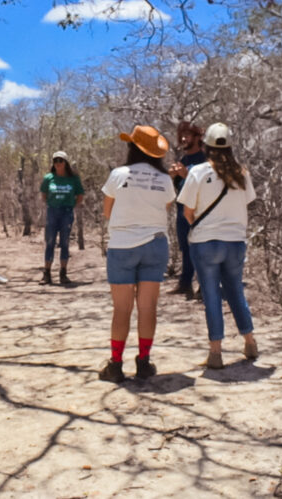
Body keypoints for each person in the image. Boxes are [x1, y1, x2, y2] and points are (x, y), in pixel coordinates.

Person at [177, 123, 258, 370]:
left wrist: (199, 228)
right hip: (235, 242)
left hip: (205, 243)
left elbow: (187, 211)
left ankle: (216, 352)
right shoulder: (241, 173)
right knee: (235, 291)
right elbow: (248, 203)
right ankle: (250, 341)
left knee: (211, 295)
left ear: (207, 146)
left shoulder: (198, 172)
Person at [98, 126, 176, 383]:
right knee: (147, 307)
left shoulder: (118, 175)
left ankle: (116, 364)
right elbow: (164, 208)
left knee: (122, 309)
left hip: (122, 246)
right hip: (155, 245)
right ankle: (143, 362)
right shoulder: (165, 179)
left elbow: (108, 211)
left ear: (132, 148)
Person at [167, 121, 206, 299]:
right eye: (181, 135)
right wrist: (173, 177)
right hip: (182, 210)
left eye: (188, 135)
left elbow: (207, 186)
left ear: (198, 138)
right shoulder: (183, 160)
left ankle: (205, 285)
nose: (183, 139)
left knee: (200, 247)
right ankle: (185, 283)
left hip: (199, 212)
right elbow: (180, 187)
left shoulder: (205, 159)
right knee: (186, 248)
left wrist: (187, 175)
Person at [40, 151, 85, 285]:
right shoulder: (48, 178)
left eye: (61, 161)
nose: (58, 163)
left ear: (66, 163)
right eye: (56, 161)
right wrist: (51, 204)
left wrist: (71, 206)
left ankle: (63, 273)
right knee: (50, 242)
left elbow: (80, 195)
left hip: (67, 212)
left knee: (64, 242)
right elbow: (44, 194)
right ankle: (47, 273)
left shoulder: (73, 179)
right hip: (52, 212)